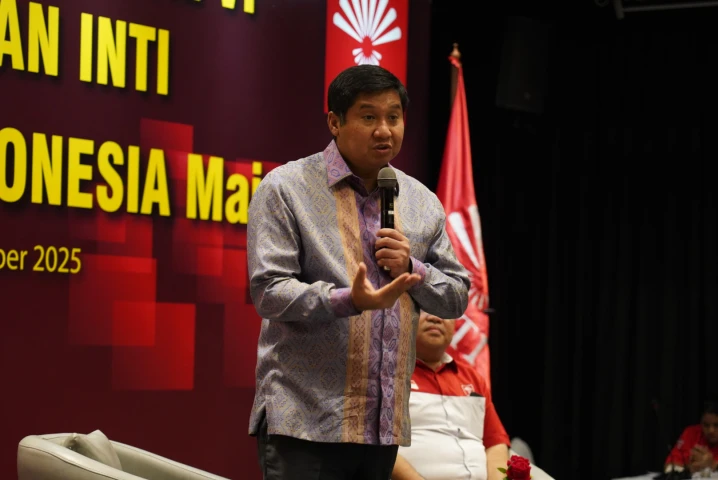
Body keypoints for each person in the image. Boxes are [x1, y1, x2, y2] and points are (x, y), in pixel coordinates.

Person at [246, 64, 470, 480]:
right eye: (369, 117)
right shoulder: (285, 188)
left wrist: (412, 267)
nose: (384, 130)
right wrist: (348, 299)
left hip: (381, 429)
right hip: (306, 421)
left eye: (393, 117)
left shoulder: (421, 201)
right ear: (335, 122)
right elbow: (269, 291)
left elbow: (457, 296)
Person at [391, 310, 555, 480]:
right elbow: (378, 445)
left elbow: (495, 444)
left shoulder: (473, 378)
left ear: (455, 324)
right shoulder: (385, 375)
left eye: (444, 311)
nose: (436, 317)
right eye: (425, 309)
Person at [664, 400, 718, 476]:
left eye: (716, 425)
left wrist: (713, 465)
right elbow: (669, 466)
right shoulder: (691, 433)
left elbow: (712, 465)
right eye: (706, 425)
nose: (711, 430)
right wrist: (689, 469)